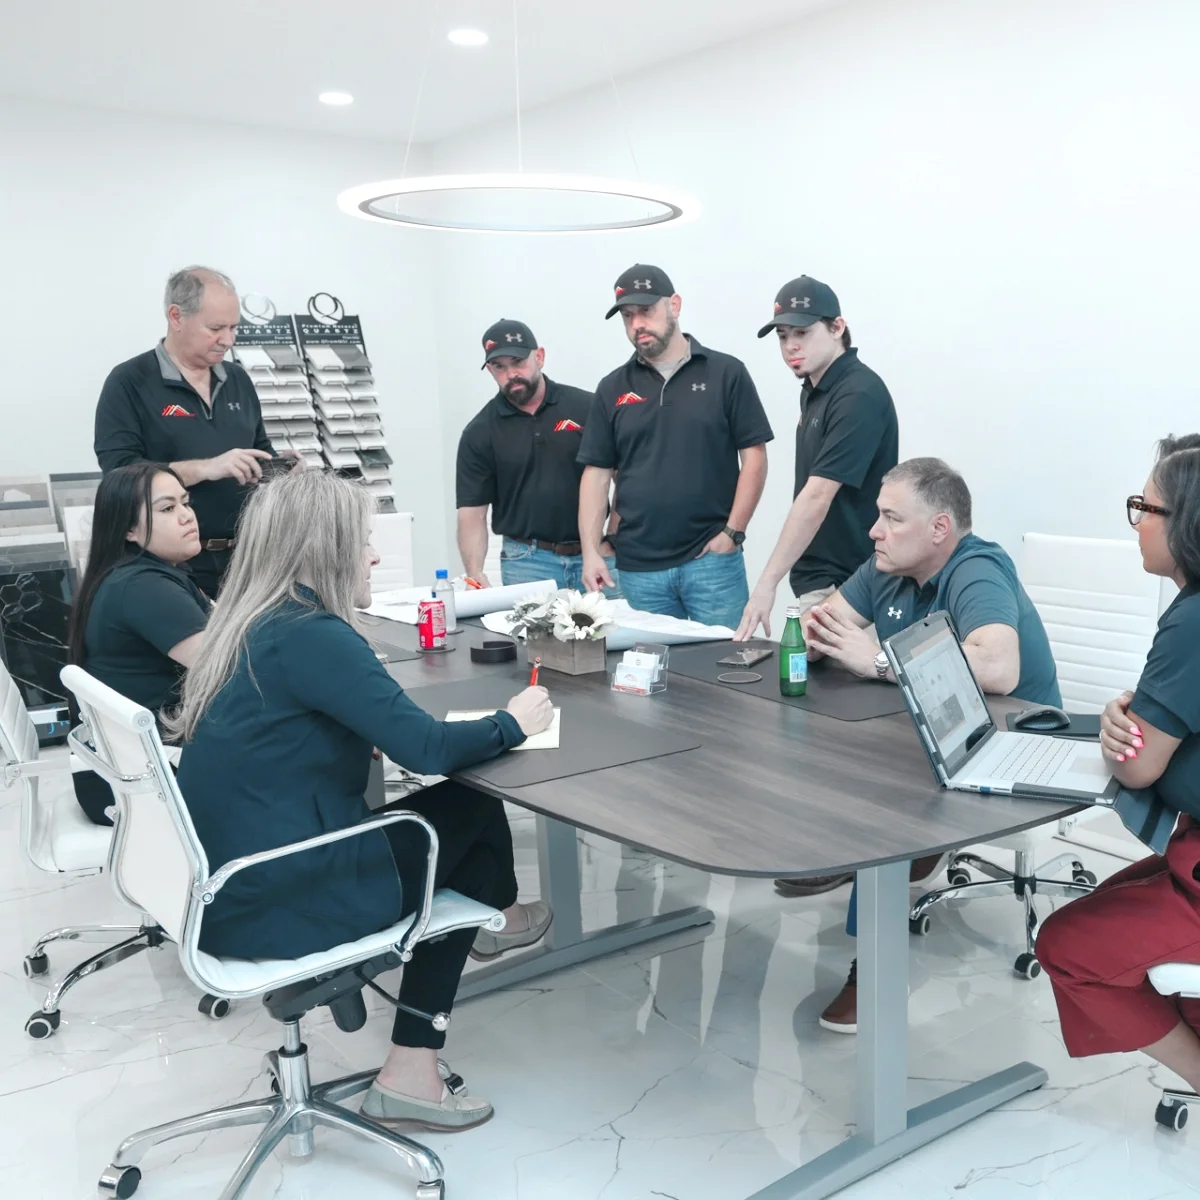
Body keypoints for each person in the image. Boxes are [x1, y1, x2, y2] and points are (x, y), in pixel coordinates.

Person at [171, 469, 555, 1132]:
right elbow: (429, 751)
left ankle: (488, 925)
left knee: (461, 827)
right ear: (324, 550)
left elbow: (284, 733)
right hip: (281, 897)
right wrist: (515, 721)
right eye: (362, 542)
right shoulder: (313, 634)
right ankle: (419, 1052)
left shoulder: (253, 624)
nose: (372, 556)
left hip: (226, 890)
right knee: (473, 811)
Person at [801, 457, 1061, 1033]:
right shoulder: (888, 567)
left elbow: (997, 667)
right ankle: (840, 854)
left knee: (884, 811)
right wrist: (818, 631)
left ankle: (870, 968)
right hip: (933, 731)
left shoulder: (978, 568)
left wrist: (871, 658)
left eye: (891, 518)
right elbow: (825, 624)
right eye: (878, 517)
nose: (874, 531)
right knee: (824, 752)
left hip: (1012, 742)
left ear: (939, 529)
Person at [1036, 436, 1200, 1089]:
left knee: (1068, 946)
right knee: (1110, 900)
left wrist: (1121, 735)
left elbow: (1137, 769)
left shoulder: (1192, 622)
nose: (1136, 524)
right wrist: (1125, 720)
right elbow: (1155, 726)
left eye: (1145, 507)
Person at [738, 275, 900, 899]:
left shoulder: (857, 393)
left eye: (801, 333)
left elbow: (819, 494)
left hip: (853, 581)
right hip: (826, 575)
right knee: (816, 717)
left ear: (838, 327)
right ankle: (839, 846)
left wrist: (766, 582)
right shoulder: (816, 390)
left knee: (836, 726)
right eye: (781, 336)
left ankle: (846, 852)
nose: (790, 347)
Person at [577, 264, 774, 629]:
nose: (637, 323)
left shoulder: (725, 373)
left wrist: (733, 533)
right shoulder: (612, 388)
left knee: (729, 671)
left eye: (646, 311)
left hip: (712, 563)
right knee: (650, 677)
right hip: (637, 569)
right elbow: (596, 474)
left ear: (675, 305)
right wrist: (591, 551)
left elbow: (755, 458)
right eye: (627, 315)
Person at [94, 266, 287, 598]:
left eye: (233, 328)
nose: (228, 340)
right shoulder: (128, 382)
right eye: (215, 328)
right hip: (172, 567)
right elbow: (120, 474)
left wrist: (278, 467)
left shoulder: (237, 379)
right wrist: (207, 468)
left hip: (249, 559)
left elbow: (257, 447)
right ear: (176, 317)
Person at [66, 463, 210, 825]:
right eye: (167, 508)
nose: (186, 516)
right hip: (142, 779)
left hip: (129, 767)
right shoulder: (144, 587)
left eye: (185, 502)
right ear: (129, 530)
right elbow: (227, 666)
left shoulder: (142, 573)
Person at [455, 318, 618, 592]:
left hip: (596, 555)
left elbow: (625, 476)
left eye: (518, 362)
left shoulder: (587, 408)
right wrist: (475, 573)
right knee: (536, 637)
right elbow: (472, 513)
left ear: (539, 357)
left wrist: (613, 540)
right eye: (499, 367)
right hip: (527, 563)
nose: (510, 374)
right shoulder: (479, 432)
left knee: (610, 634)